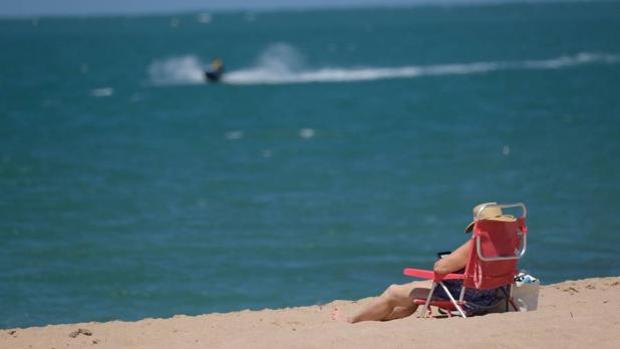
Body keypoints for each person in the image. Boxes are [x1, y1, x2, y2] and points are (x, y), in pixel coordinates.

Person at [332, 202, 512, 323]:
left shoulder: (477, 244)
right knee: (411, 294)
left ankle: (349, 321)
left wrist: (445, 261)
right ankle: (378, 319)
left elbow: (440, 269)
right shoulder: (508, 243)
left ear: (478, 225)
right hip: (492, 296)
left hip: (469, 298)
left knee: (393, 291)